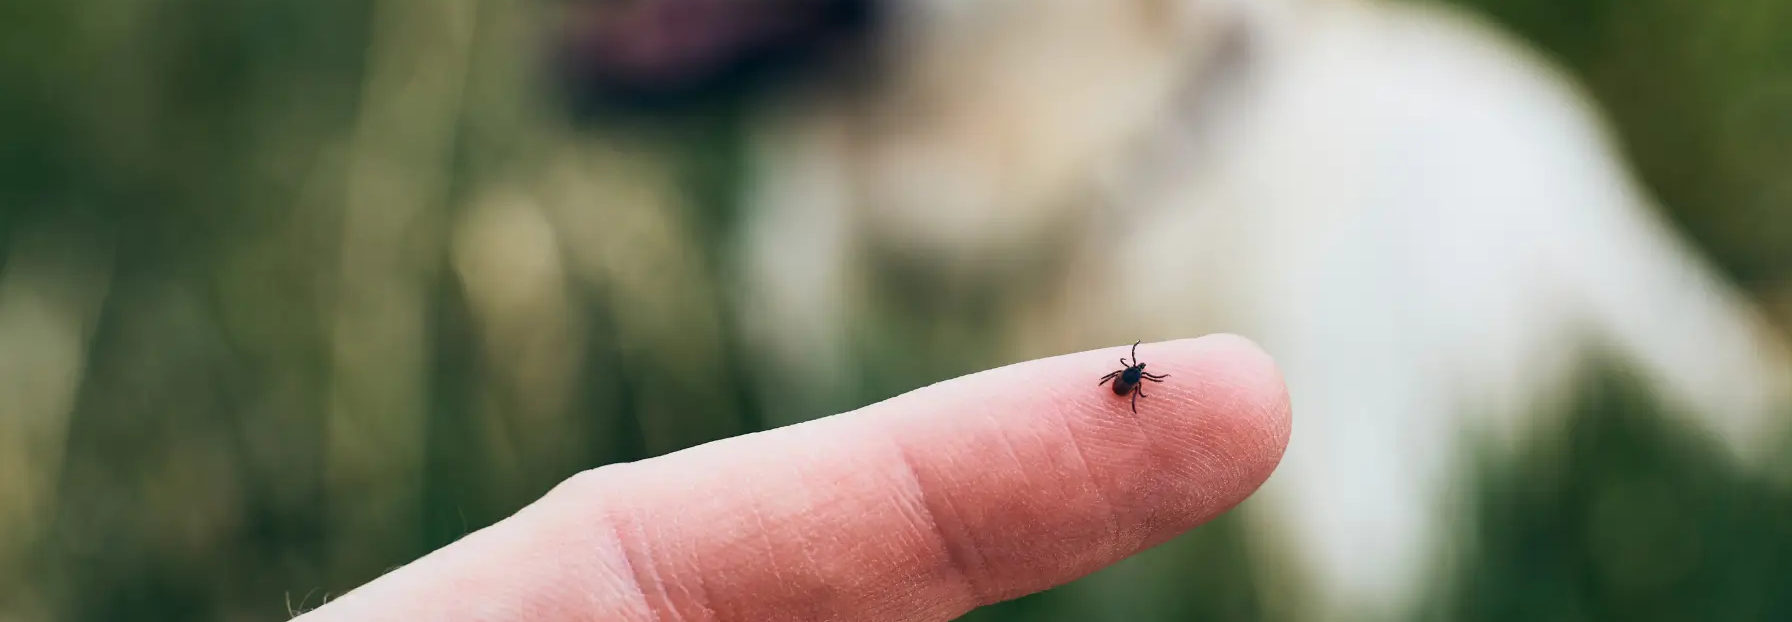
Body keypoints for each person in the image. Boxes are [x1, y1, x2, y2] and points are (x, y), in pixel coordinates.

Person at [306, 335, 1288, 620]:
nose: (1129, 381)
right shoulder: (1127, 384)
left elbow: (1118, 383)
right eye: (1129, 376)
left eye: (1129, 377)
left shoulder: (1116, 382)